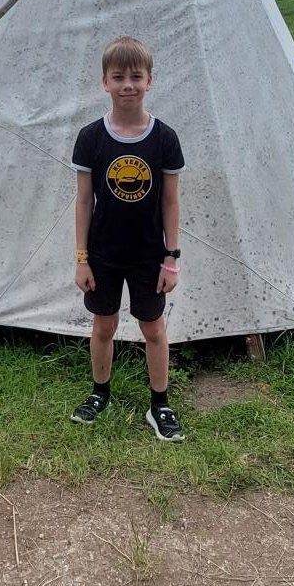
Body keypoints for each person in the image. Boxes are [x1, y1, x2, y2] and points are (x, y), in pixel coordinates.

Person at [71, 35, 185, 443]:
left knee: (153, 329)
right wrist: (82, 258)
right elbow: (84, 201)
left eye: (136, 77)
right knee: (104, 325)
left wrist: (171, 258)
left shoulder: (165, 139)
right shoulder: (91, 138)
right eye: (118, 77)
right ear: (104, 82)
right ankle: (100, 393)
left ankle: (160, 405)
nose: (128, 85)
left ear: (150, 81)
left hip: (148, 255)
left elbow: (170, 201)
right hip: (103, 253)